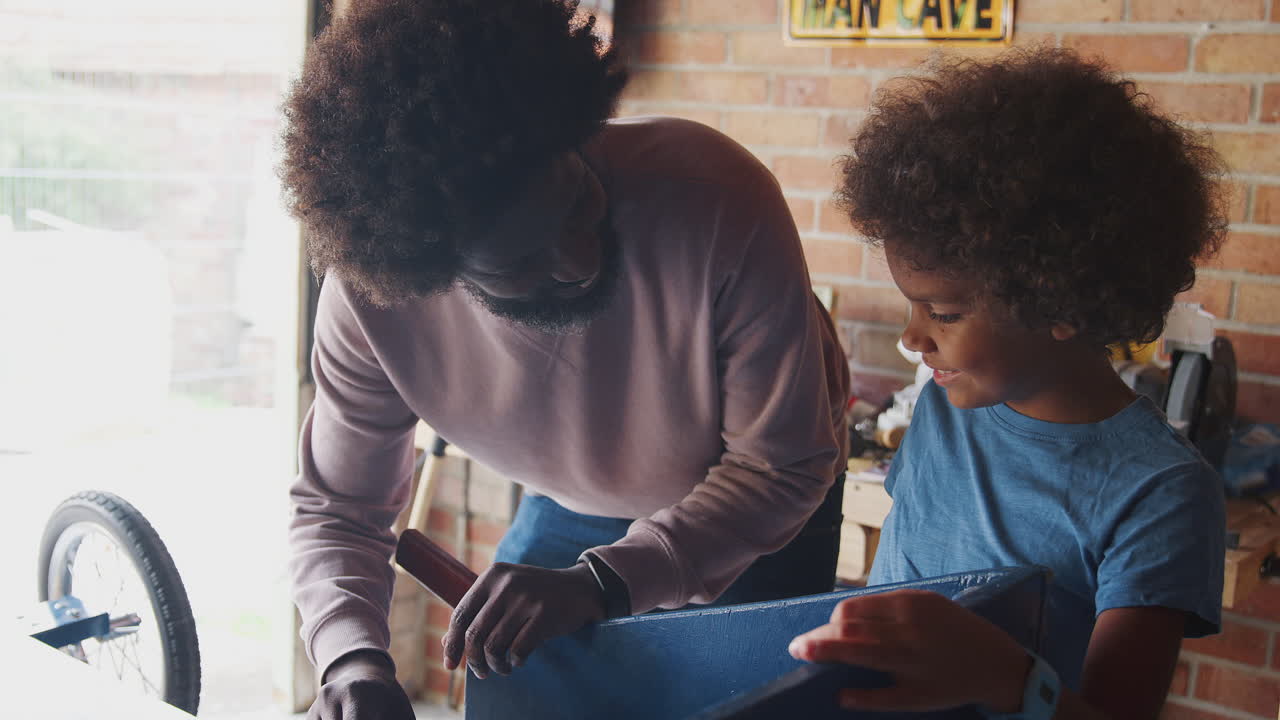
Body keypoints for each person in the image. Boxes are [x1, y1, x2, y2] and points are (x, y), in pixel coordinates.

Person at [279, 0, 850, 717]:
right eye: (520, 263)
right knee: (522, 691)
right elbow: (341, 506)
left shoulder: (719, 202)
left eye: (581, 201)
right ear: (430, 272)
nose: (580, 262)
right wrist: (352, 661)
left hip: (759, 501)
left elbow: (780, 466)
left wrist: (601, 583)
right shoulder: (373, 302)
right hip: (576, 492)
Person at [789, 47, 1227, 720]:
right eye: (911, 305)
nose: (913, 337)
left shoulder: (1159, 493)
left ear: (1060, 301)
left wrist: (1009, 678)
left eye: (944, 312)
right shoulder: (944, 406)